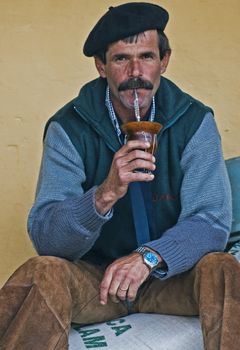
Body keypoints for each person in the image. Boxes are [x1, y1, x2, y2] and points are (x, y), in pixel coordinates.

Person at [0, 2, 240, 350]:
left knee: (222, 268)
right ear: (101, 66)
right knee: (41, 273)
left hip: (170, 277)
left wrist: (149, 257)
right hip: (98, 282)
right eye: (120, 59)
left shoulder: (194, 121)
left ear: (165, 60)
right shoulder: (69, 128)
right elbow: (47, 239)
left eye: (146, 56)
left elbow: (212, 222)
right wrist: (104, 194)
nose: (135, 72)